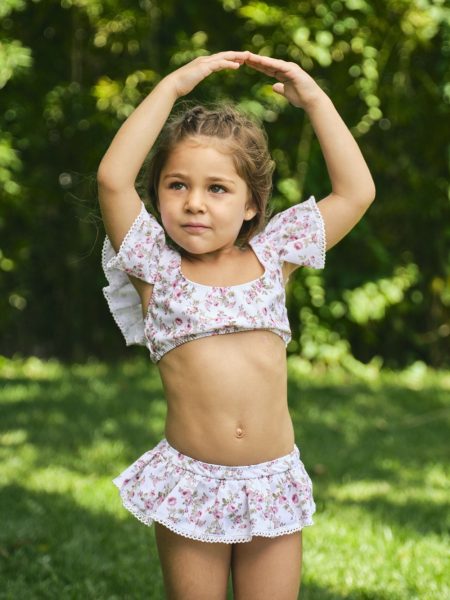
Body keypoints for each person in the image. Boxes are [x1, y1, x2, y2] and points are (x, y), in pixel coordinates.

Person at [98, 50, 375, 600]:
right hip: (192, 482)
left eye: (217, 188)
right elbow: (112, 179)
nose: (194, 203)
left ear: (252, 204)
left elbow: (356, 193)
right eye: (177, 185)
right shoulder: (154, 267)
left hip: (273, 481)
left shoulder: (275, 254)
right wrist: (171, 87)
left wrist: (315, 100)